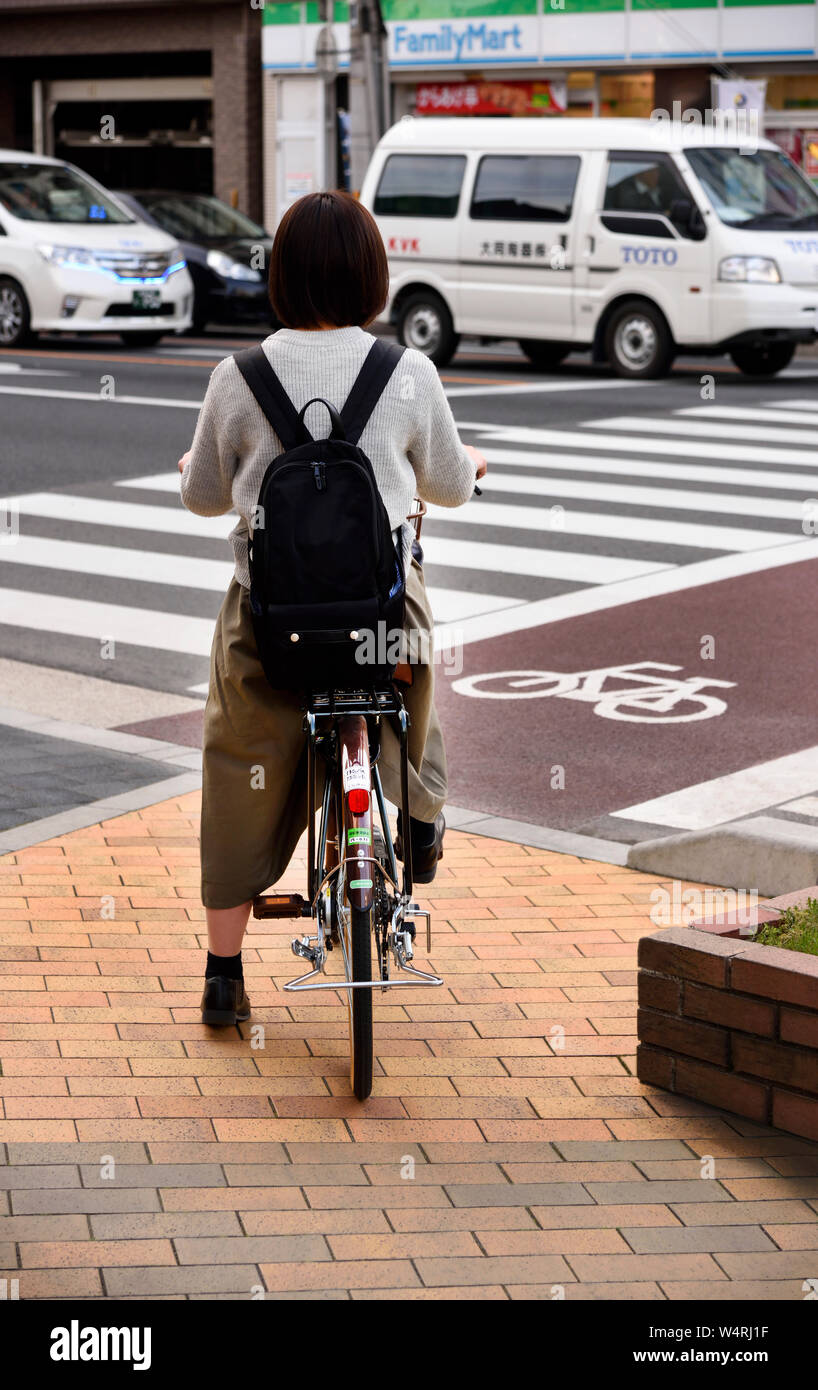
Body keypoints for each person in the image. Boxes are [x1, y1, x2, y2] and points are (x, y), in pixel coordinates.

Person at [179, 190, 487, 1026]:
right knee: (414, 691)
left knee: (234, 764)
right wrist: (471, 468)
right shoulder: (408, 373)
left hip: (269, 624)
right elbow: (450, 486)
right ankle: (419, 819)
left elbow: (205, 498)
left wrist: (203, 466)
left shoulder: (236, 378)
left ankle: (221, 974)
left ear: (278, 274)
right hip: (377, 622)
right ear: (370, 274)